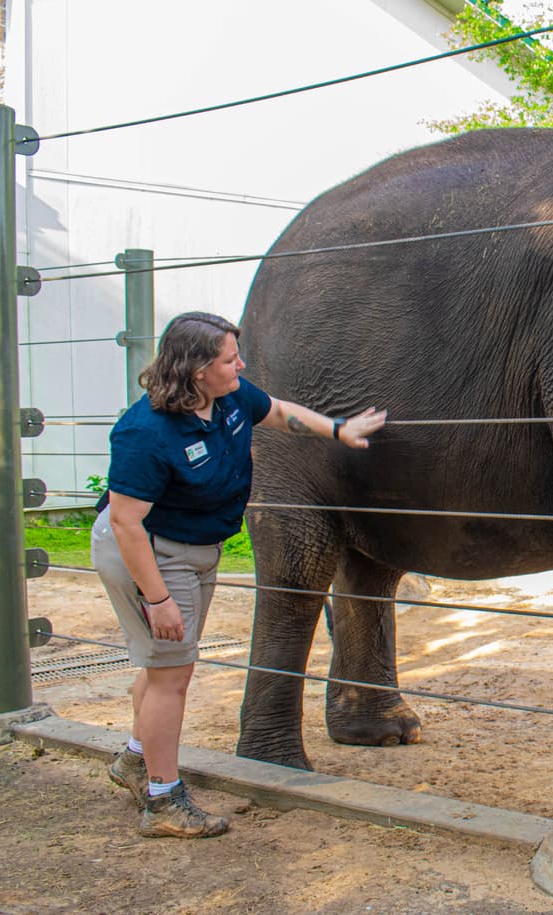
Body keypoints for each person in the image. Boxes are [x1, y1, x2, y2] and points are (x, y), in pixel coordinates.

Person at [91, 311, 386, 838]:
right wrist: (156, 599)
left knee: (165, 667)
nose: (241, 365)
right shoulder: (145, 431)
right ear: (197, 369)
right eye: (229, 359)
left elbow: (277, 412)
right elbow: (125, 522)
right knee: (172, 675)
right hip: (150, 552)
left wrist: (339, 430)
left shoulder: (227, 400)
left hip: (195, 549)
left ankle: (137, 760)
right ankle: (161, 799)